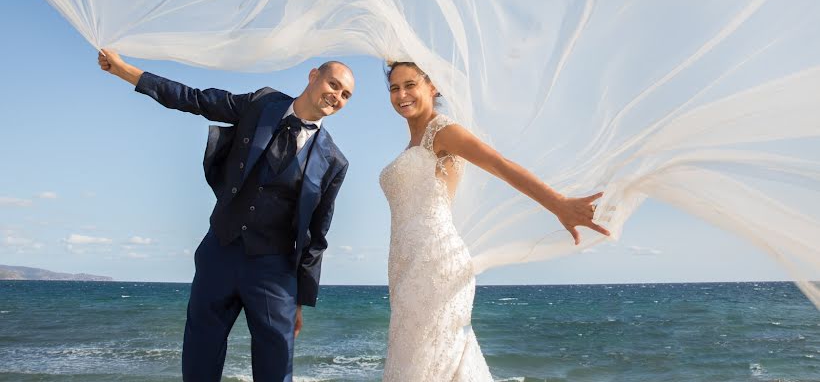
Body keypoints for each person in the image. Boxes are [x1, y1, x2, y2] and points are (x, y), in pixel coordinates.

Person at [98, 49, 354, 382]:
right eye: (333, 84)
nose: (336, 96)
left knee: (276, 370)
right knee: (199, 361)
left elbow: (316, 237)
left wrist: (300, 300)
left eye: (346, 95)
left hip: (274, 271)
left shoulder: (334, 161)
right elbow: (197, 100)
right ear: (313, 75)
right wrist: (128, 73)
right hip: (220, 250)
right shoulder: (263, 104)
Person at [380, 62, 610, 380]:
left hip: (436, 264)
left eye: (410, 85)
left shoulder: (444, 131)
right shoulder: (412, 143)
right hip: (405, 268)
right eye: (394, 88)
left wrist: (558, 204)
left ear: (432, 87)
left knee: (421, 367)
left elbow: (500, 164)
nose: (402, 94)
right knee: (429, 363)